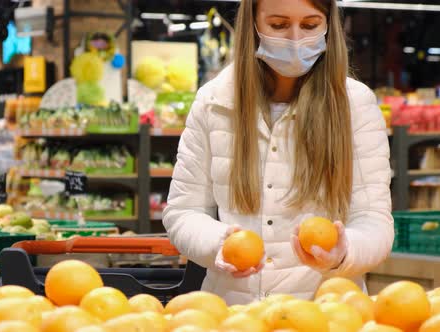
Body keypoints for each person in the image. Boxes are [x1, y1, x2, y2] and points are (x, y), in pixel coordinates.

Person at [163, 0, 393, 304]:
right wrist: (218, 244)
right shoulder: (214, 102)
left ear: (328, 26)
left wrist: (344, 251)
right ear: (254, 24)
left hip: (324, 314)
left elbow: (374, 220)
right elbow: (183, 211)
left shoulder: (355, 105)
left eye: (310, 25)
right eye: (279, 25)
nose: (296, 39)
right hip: (232, 315)